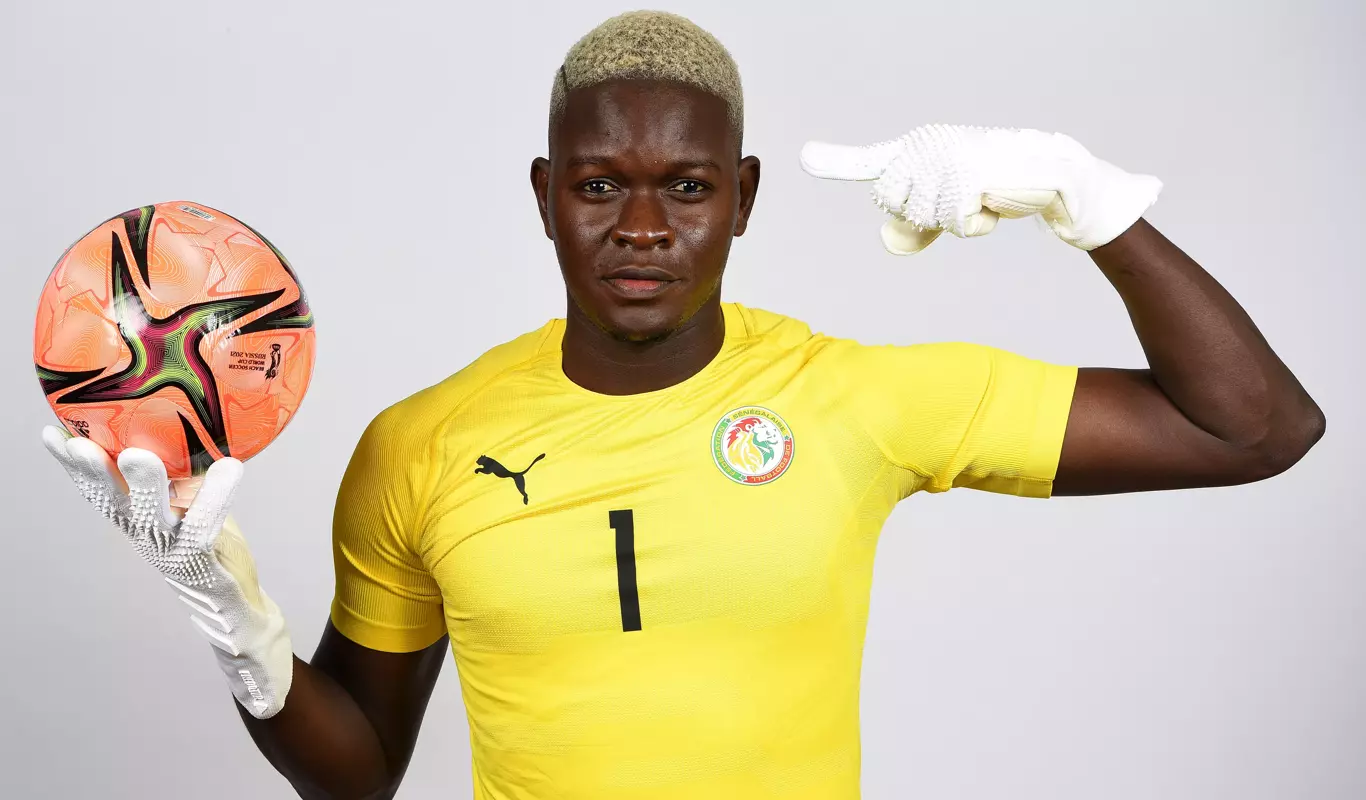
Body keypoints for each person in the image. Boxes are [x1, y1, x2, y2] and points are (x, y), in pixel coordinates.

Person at [42, 10, 1325, 800]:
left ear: (746, 194)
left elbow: (1255, 426)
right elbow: (360, 773)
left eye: (687, 186)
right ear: (544, 194)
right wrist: (240, 633)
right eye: (600, 187)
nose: (643, 226)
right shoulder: (419, 446)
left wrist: (1078, 197)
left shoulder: (852, 397)